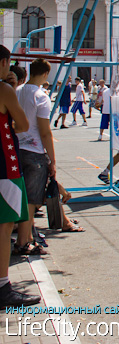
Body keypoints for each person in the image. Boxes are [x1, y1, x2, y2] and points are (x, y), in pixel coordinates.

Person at [0, 46, 42, 306]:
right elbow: (23, 124)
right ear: (4, 62)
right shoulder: (3, 90)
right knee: (5, 226)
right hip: (4, 164)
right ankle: (3, 286)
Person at [14, 59, 58, 255]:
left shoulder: (16, 91)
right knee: (31, 200)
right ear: (46, 74)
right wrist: (52, 159)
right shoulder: (41, 96)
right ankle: (23, 242)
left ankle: (27, 237)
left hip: (14, 149)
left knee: (19, 196)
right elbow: (45, 131)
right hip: (34, 151)